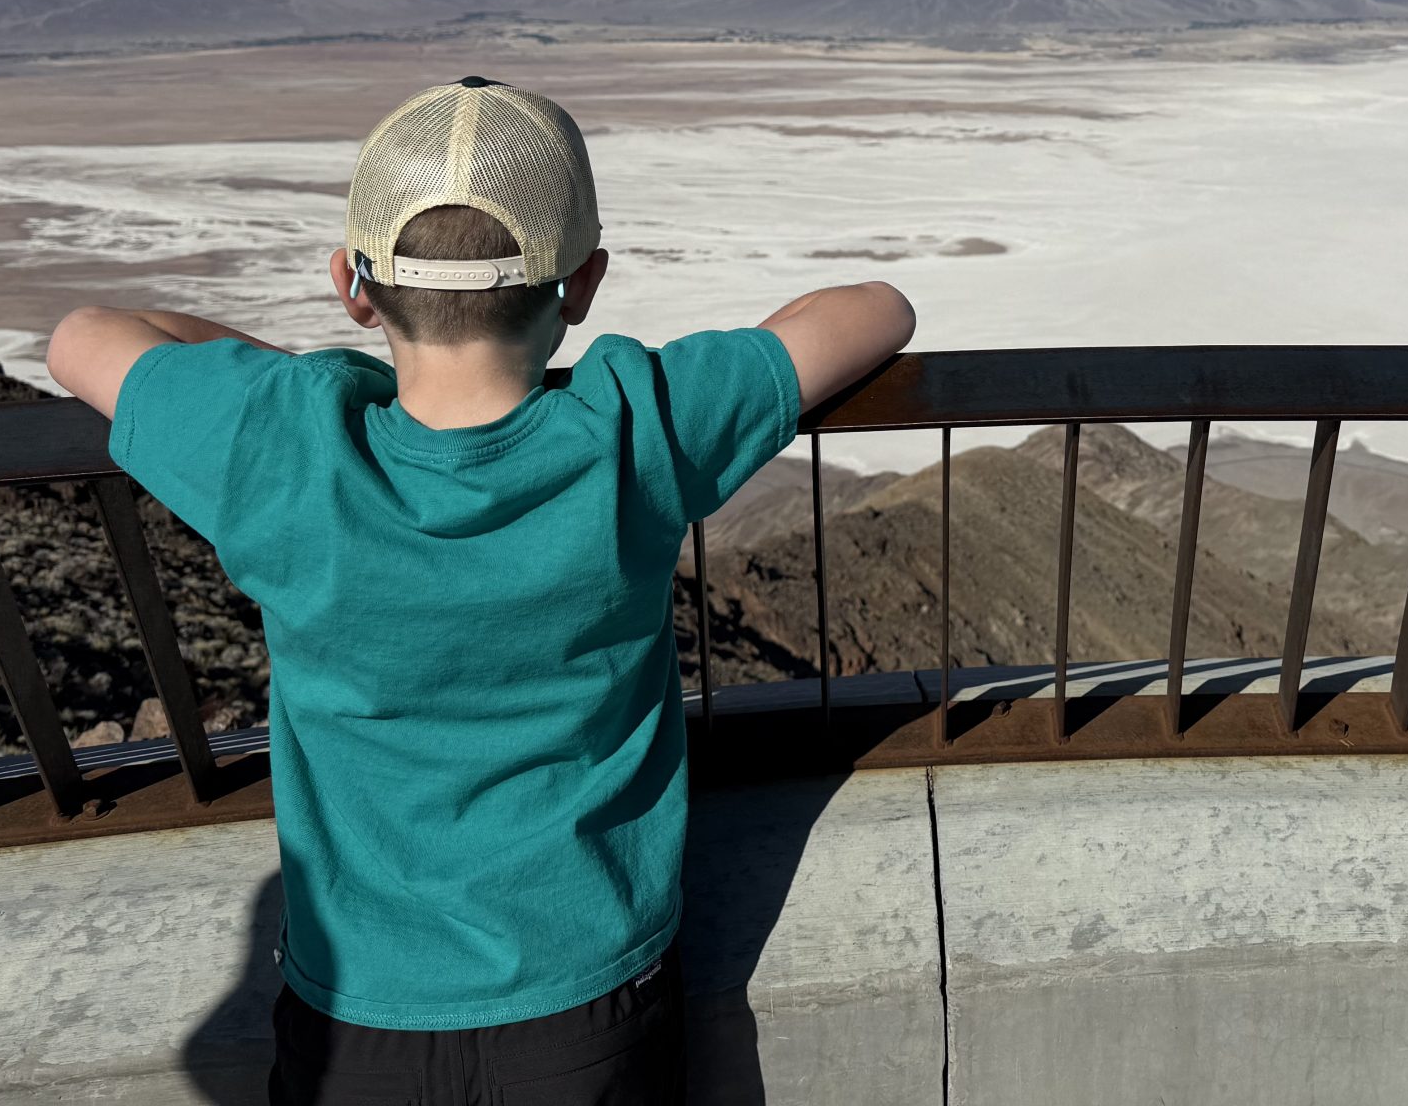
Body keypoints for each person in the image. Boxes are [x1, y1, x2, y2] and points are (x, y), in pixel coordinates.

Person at [48, 77, 915, 1106]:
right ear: (583, 284)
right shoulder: (633, 426)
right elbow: (873, 311)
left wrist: (319, 388)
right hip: (591, 997)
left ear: (351, 287)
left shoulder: (285, 448)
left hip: (354, 1015)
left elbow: (88, 335)